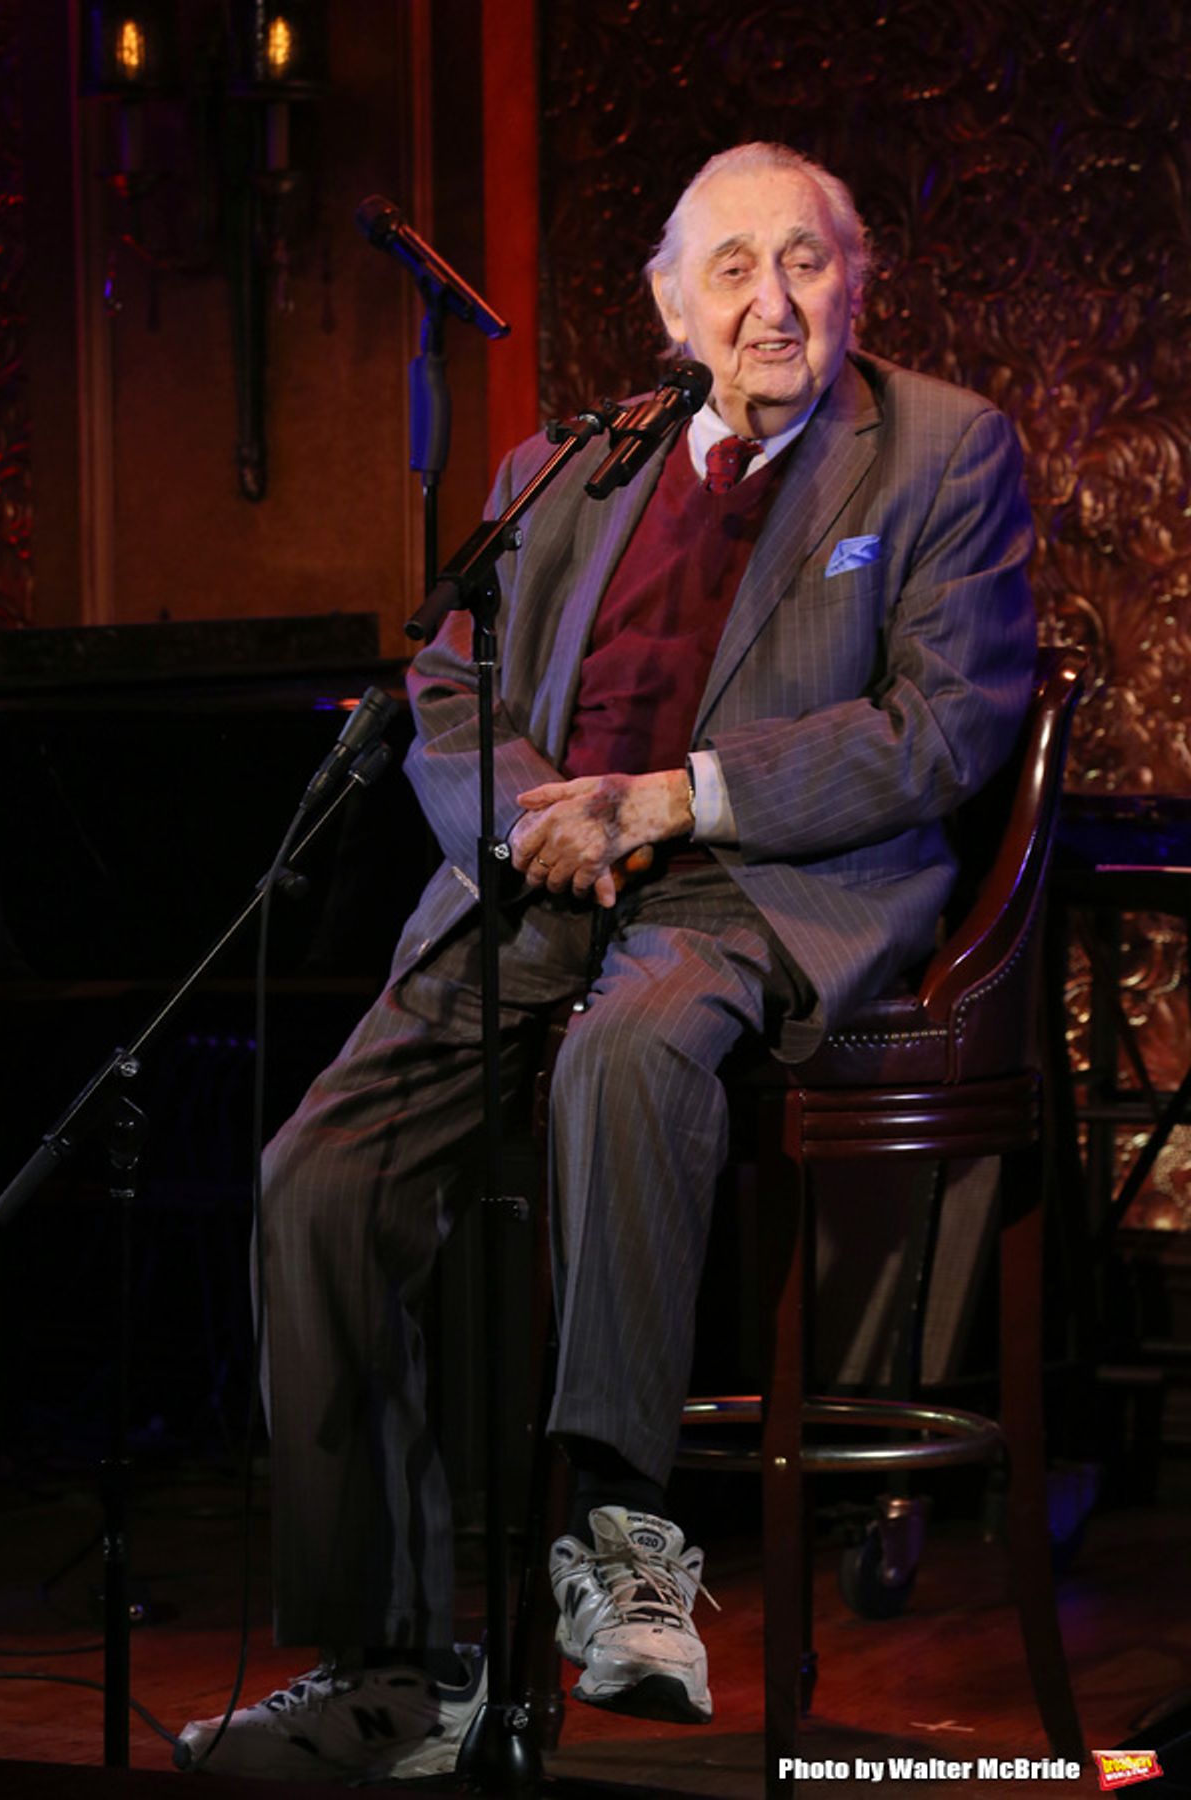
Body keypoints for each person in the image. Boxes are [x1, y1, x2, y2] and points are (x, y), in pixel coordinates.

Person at [176, 140, 1036, 1781]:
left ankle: (627, 1553)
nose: (770, 302)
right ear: (668, 303)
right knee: (317, 1174)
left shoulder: (940, 451)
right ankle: (392, 1672)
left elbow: (947, 724)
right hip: (536, 879)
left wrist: (672, 800)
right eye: (732, 268)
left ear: (858, 282)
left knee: (628, 1050)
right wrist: (526, 828)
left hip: (750, 882)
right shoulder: (571, 465)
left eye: (806, 261)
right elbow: (443, 691)